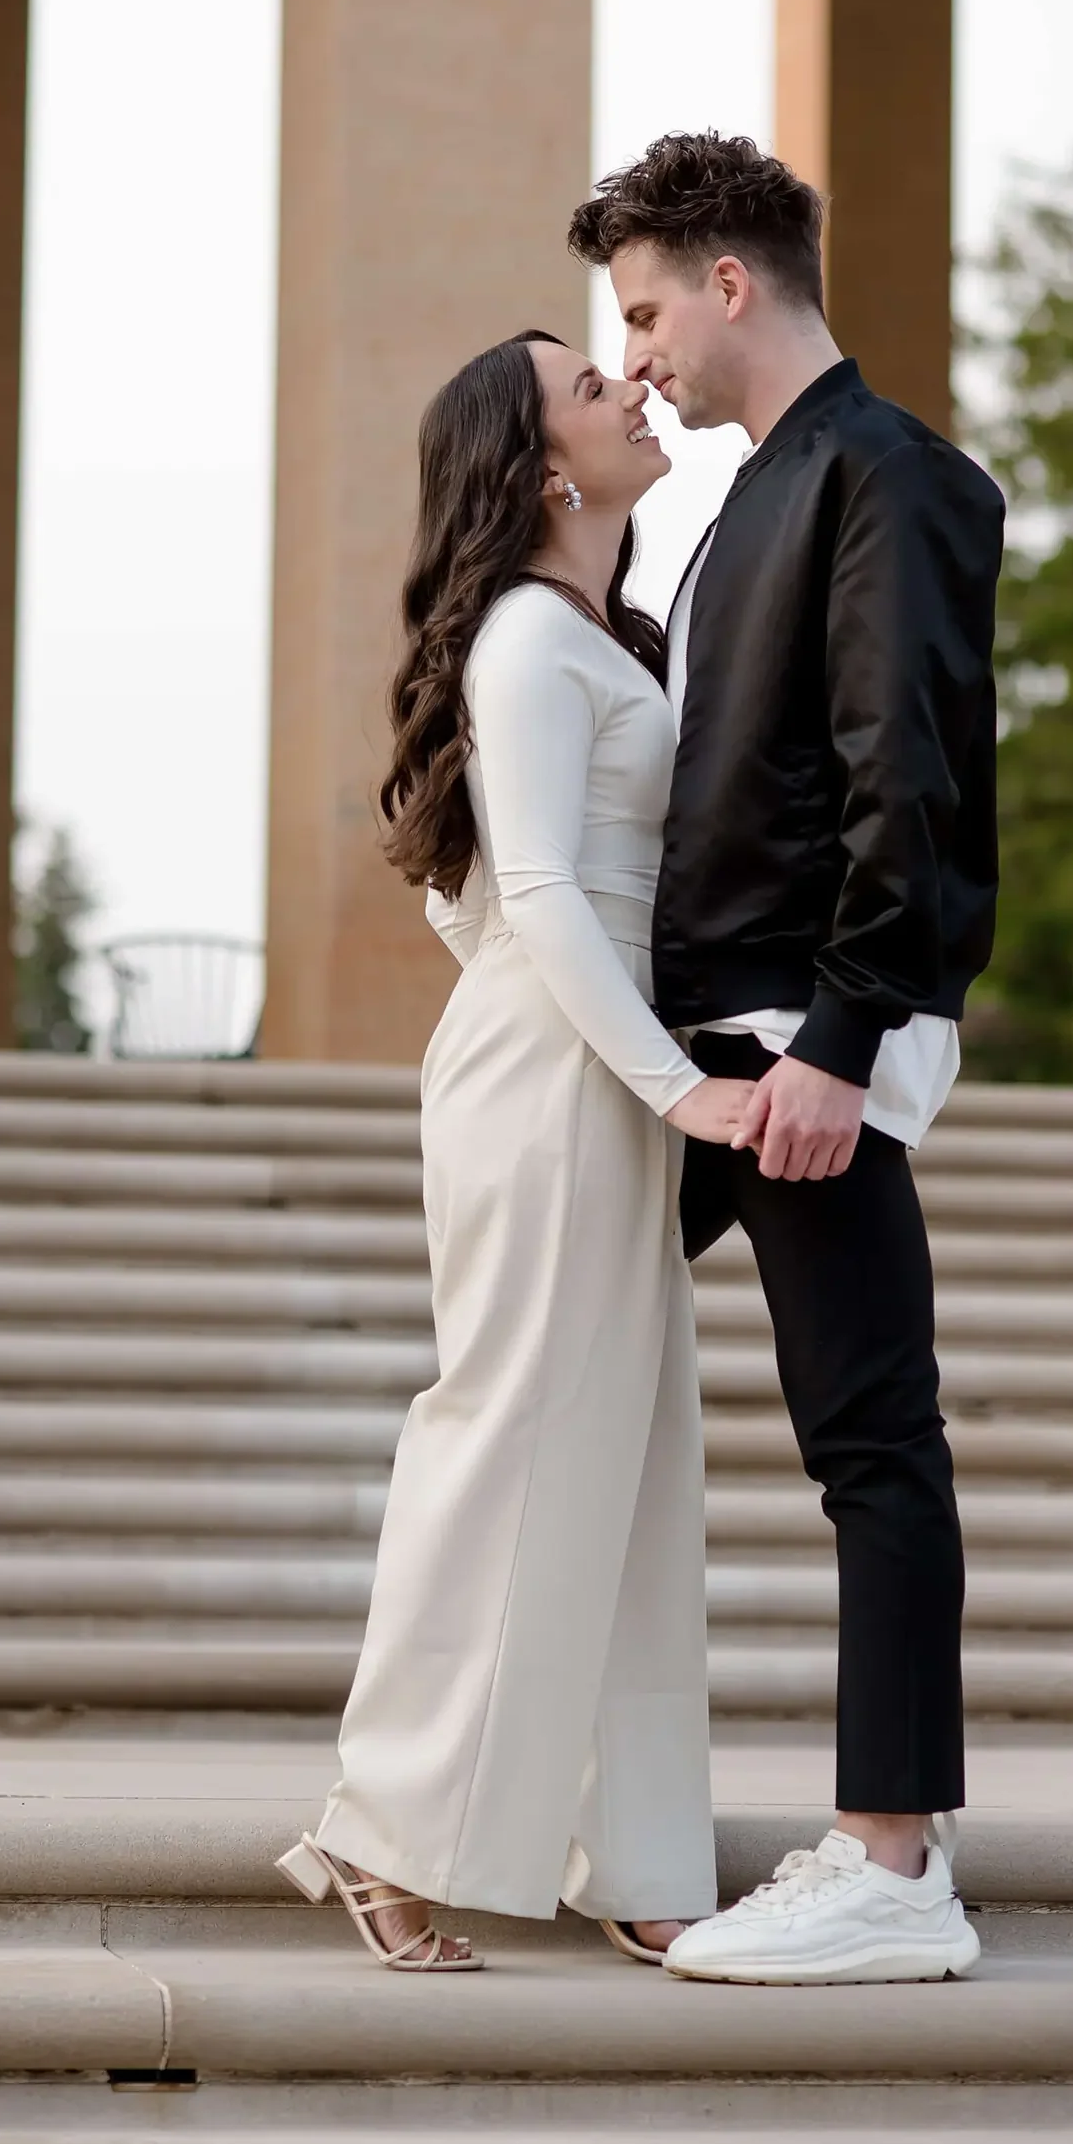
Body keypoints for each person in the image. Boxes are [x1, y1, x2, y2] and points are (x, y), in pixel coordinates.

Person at [567, 131, 1003, 1986]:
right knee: (543, 1391)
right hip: (694, 1056)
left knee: (875, 1445)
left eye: (649, 310)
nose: (642, 353)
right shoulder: (738, 502)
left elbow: (917, 778)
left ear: (731, 282)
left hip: (791, 1052)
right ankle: (547, 1794)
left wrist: (843, 1036)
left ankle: (895, 1861)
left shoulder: (896, 477)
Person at [278, 330, 753, 1970]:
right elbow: (540, 893)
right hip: (563, 1076)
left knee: (635, 1467)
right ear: (541, 463)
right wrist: (681, 1087)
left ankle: (634, 1846)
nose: (632, 385)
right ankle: (383, 1827)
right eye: (586, 385)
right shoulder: (526, 644)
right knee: (505, 1439)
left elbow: (467, 888)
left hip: (583, 1058)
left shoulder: (592, 638)